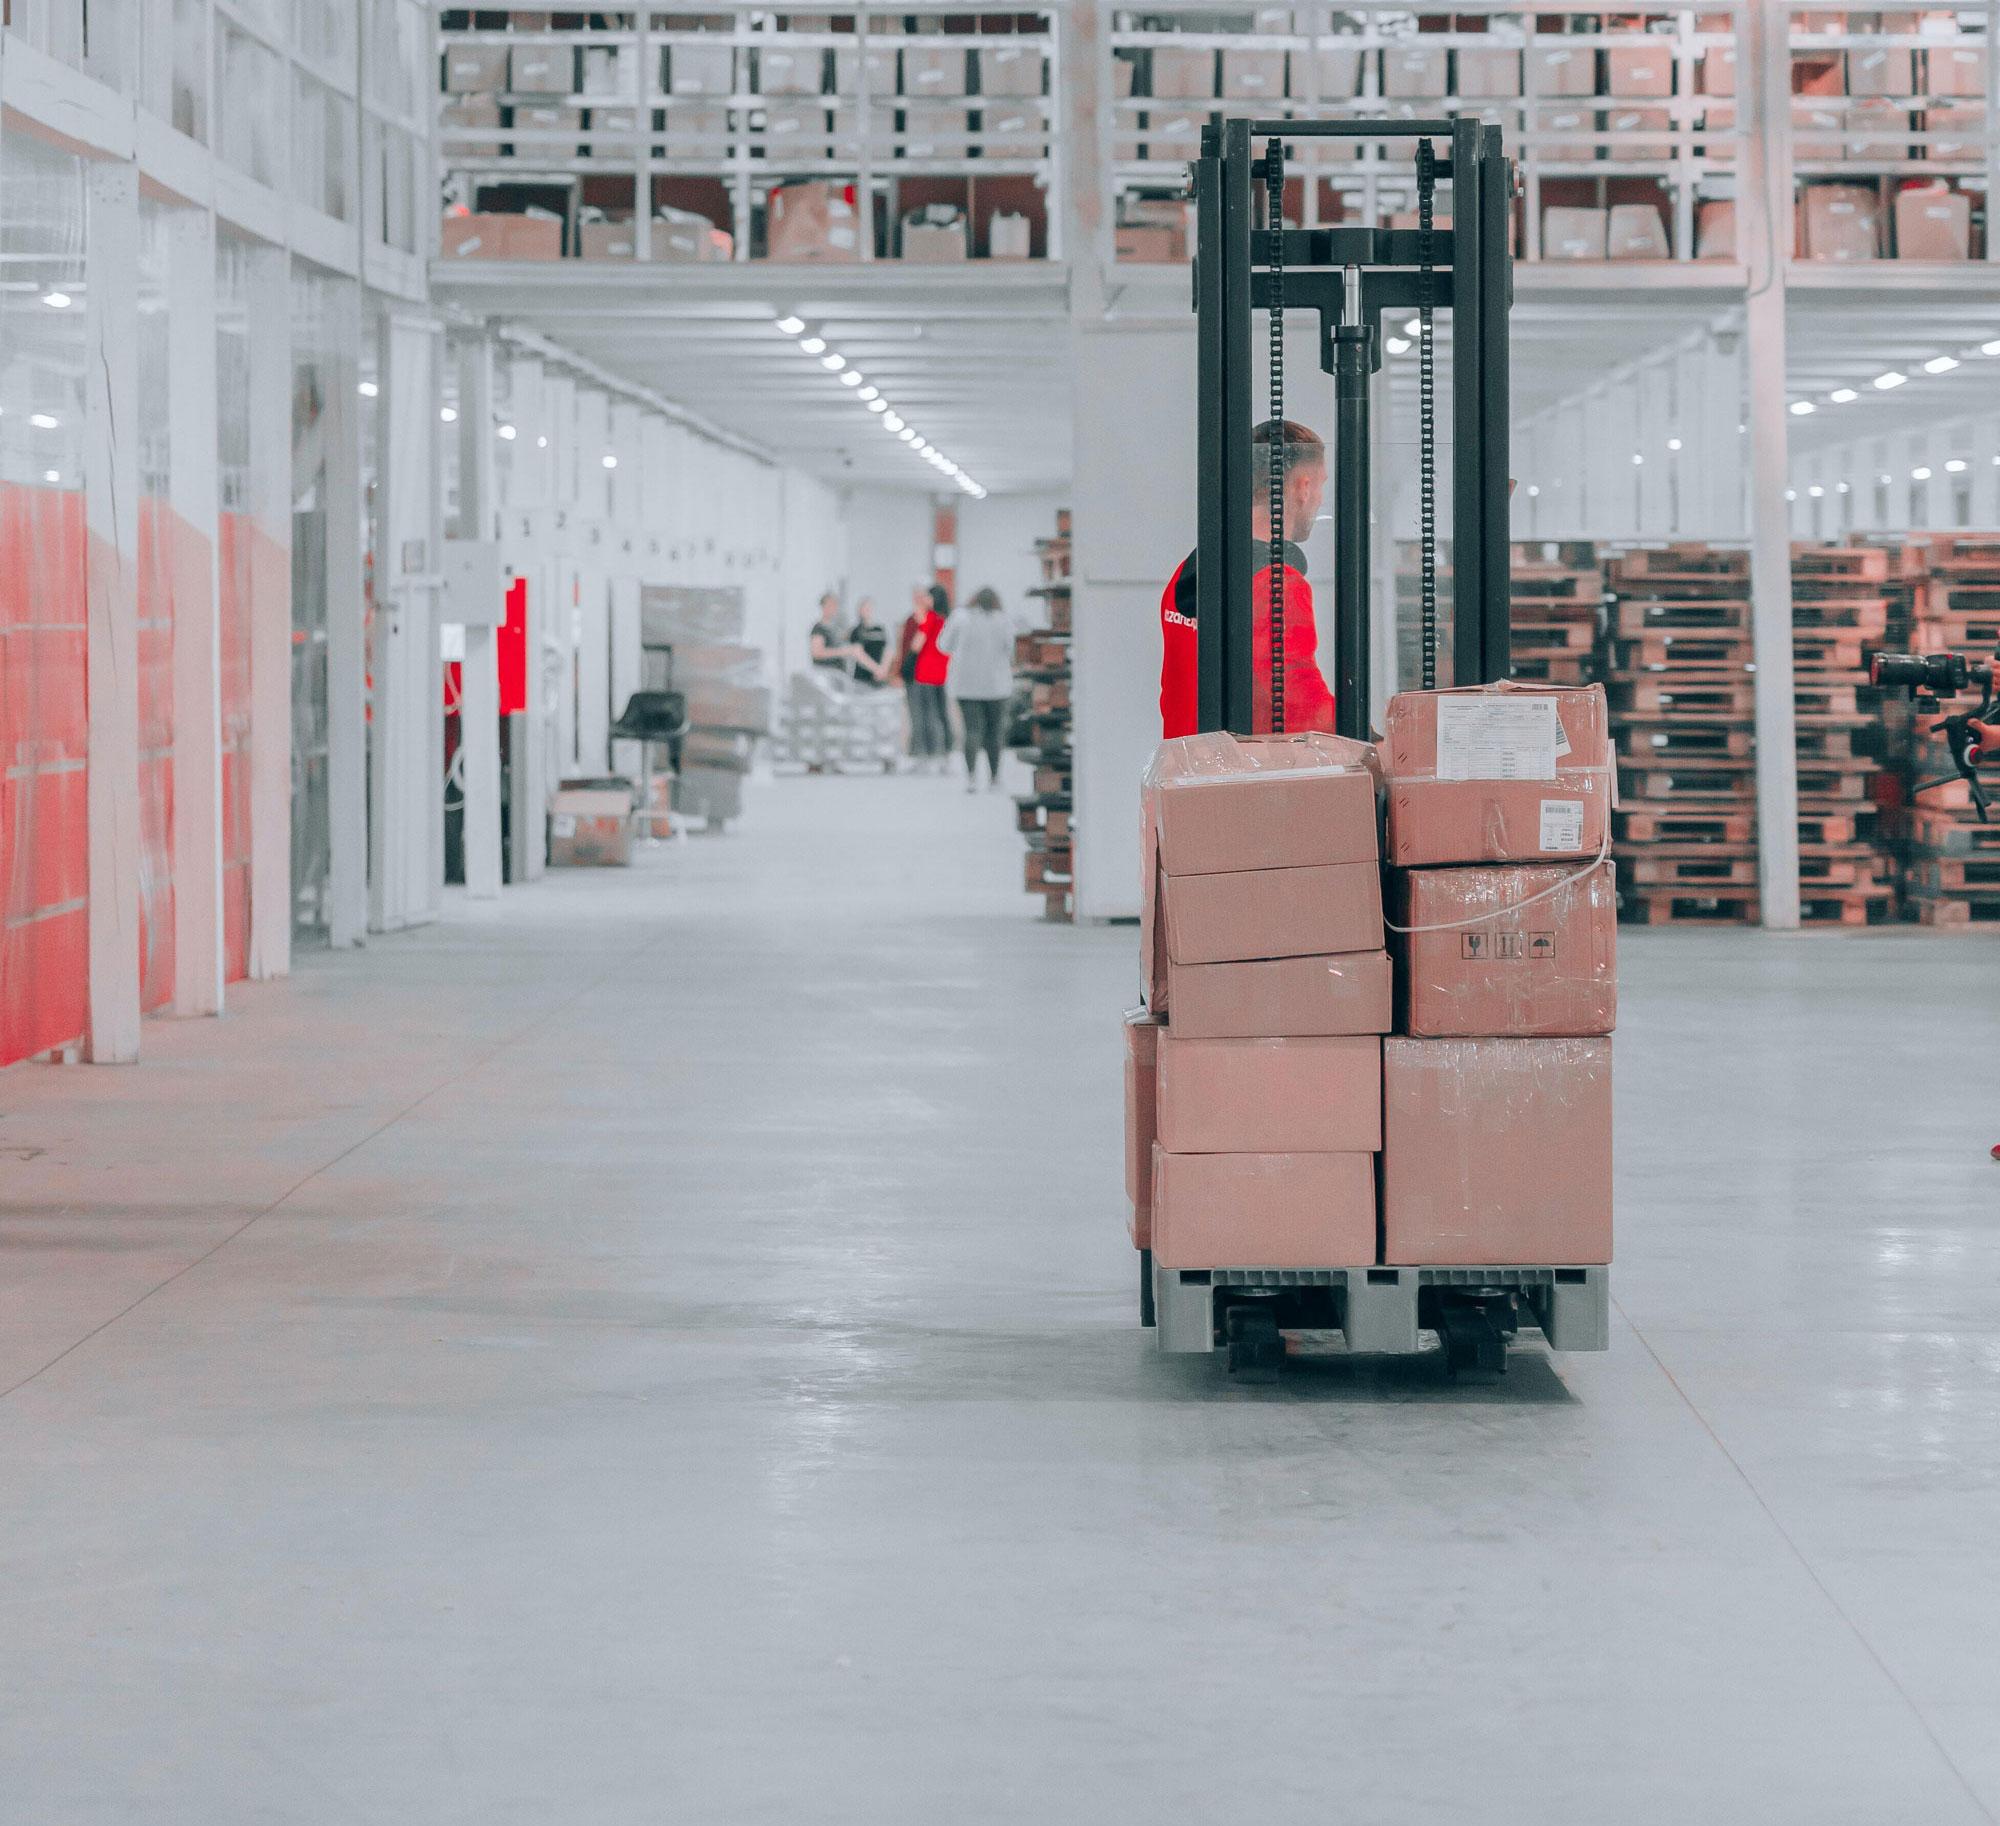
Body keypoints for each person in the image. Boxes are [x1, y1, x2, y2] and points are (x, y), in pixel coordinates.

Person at [1158, 417, 1335, 739]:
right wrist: (1371, 739)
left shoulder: (1188, 575)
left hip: (1189, 775)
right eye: (1321, 484)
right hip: (1239, 778)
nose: (1321, 498)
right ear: (1303, 487)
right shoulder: (1276, 583)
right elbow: (1296, 702)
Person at [938, 586, 1017, 792]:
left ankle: (971, 777)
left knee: (971, 730)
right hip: (997, 686)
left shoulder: (960, 618)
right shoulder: (1003, 620)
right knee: (994, 732)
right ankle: (995, 778)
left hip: (966, 686)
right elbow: (1011, 649)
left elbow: (943, 645)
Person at [906, 583, 954, 770]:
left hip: (924, 673)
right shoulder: (947, 620)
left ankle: (925, 757)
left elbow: (917, 645)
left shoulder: (930, 618)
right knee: (940, 715)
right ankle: (944, 755)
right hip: (940, 672)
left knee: (924, 716)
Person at [809, 592, 858, 672]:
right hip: (826, 674)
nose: (834, 608)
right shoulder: (818, 628)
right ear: (823, 606)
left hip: (839, 673)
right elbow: (817, 653)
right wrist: (843, 651)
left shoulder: (835, 629)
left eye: (835, 605)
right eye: (831, 605)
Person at [847, 597, 891, 687]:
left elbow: (887, 650)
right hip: (862, 677)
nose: (867, 610)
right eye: (865, 608)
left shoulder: (879, 629)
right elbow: (858, 654)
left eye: (869, 608)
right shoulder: (856, 631)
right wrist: (876, 669)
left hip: (879, 677)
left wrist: (883, 670)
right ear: (859, 610)